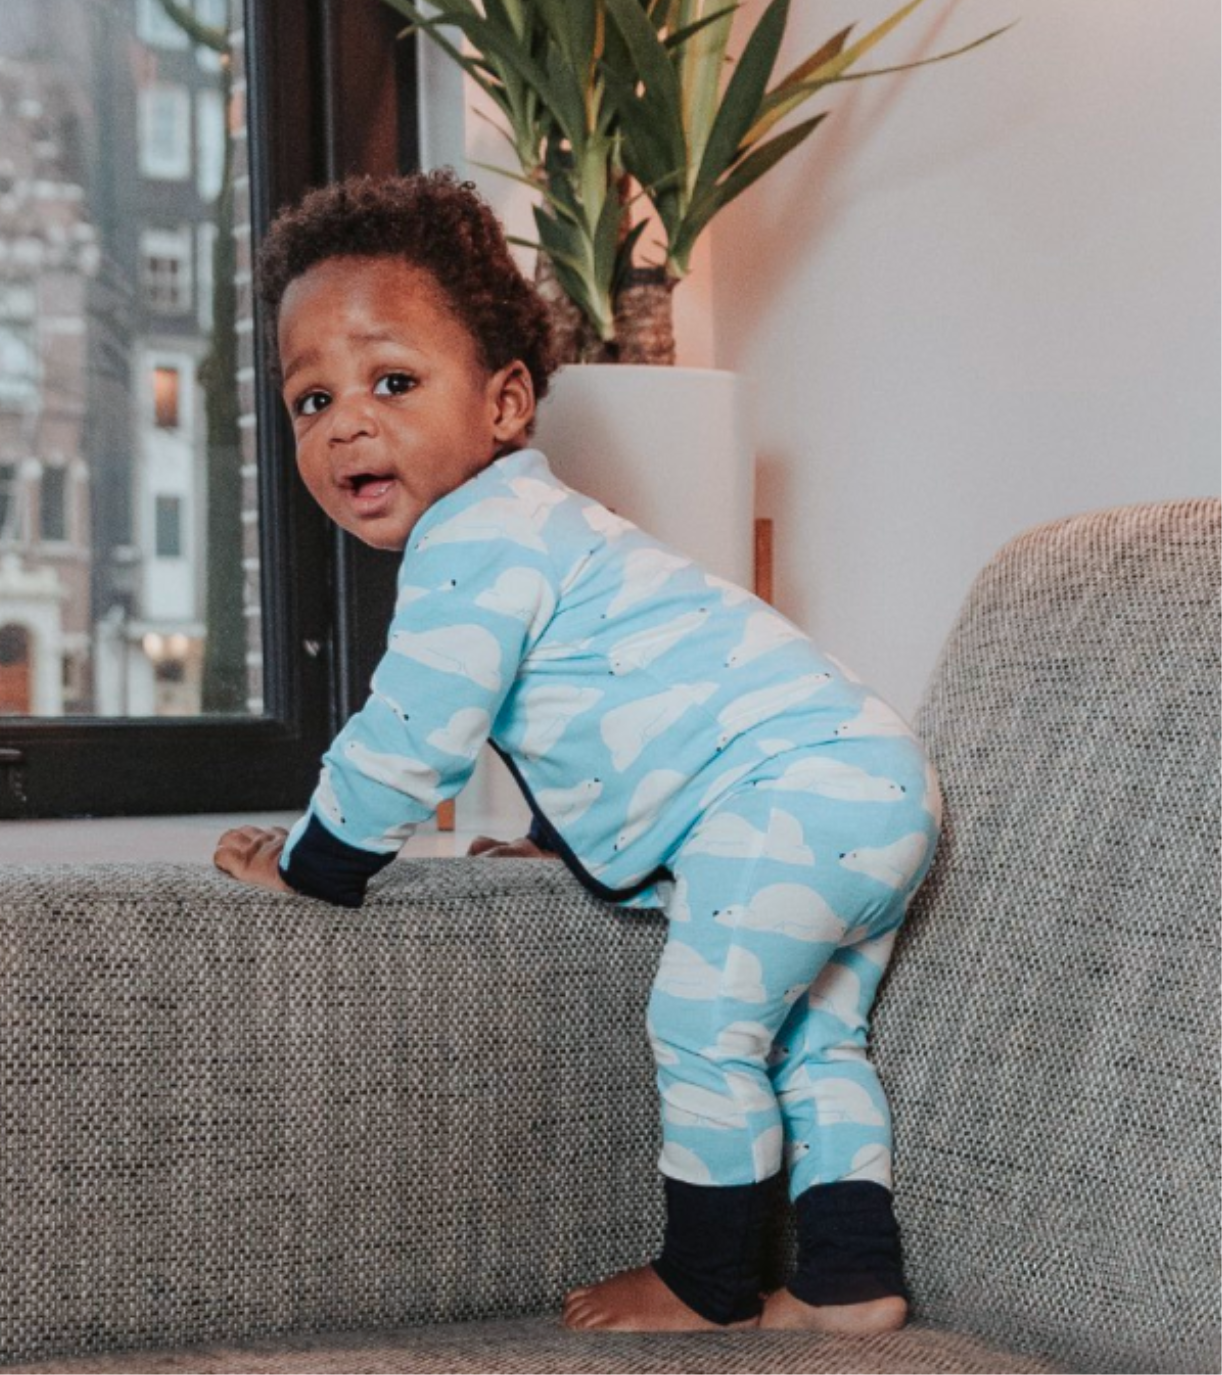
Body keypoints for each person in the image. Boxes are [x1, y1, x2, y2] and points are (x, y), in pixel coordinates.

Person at [213, 169, 943, 1334]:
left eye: (392, 381)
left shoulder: (473, 543)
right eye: (311, 399)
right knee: (814, 1037)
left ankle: (708, 1281)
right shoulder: (547, 527)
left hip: (792, 790)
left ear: (504, 402)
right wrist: (551, 844)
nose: (346, 420)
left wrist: (314, 864)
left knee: (701, 1028)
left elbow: (411, 738)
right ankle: (850, 1279)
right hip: (869, 781)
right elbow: (607, 719)